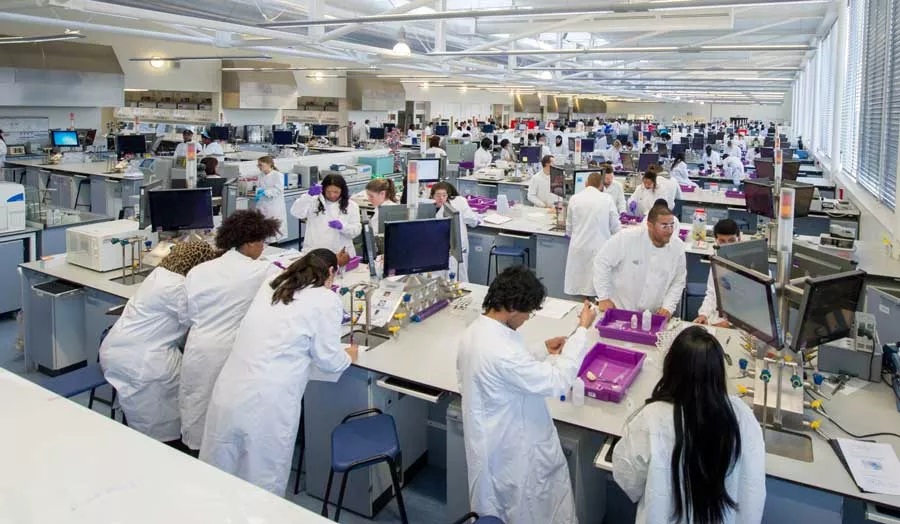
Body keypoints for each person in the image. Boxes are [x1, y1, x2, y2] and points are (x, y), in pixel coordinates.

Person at [200, 249, 357, 495]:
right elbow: (329, 360)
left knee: (220, 473)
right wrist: (348, 355)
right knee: (263, 480)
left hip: (231, 388)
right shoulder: (325, 300)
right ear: (330, 272)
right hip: (269, 401)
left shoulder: (272, 285)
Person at [457, 266, 597, 524]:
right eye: (528, 312)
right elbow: (557, 381)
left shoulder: (476, 332)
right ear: (511, 307)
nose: (527, 318)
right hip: (514, 454)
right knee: (526, 509)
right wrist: (581, 331)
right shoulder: (502, 351)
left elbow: (508, 371)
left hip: (492, 439)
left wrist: (542, 349)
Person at [613, 326, 766, 523]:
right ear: (718, 372)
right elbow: (752, 489)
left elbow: (627, 478)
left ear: (670, 369)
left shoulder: (652, 418)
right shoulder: (742, 416)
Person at [179, 210, 283, 453]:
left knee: (196, 405)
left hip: (198, 347)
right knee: (224, 417)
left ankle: (192, 456)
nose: (263, 249)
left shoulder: (200, 270)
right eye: (261, 242)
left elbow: (187, 313)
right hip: (229, 351)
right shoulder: (262, 271)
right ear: (249, 243)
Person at [99, 241, 219, 446]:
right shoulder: (179, 287)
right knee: (161, 424)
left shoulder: (159, 275)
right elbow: (198, 318)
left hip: (117, 350)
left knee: (137, 413)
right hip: (143, 361)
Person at [594, 204, 686, 319]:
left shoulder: (677, 247)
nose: (669, 231)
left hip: (653, 315)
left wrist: (668, 307)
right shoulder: (627, 238)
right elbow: (601, 262)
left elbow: (678, 280)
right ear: (650, 225)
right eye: (664, 226)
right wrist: (603, 297)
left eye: (671, 225)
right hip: (620, 309)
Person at [564, 172, 620, 298]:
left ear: (586, 184)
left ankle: (584, 306)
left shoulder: (574, 198)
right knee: (599, 285)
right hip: (599, 247)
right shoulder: (607, 199)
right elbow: (615, 226)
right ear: (601, 186)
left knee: (581, 283)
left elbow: (569, 226)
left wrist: (570, 234)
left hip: (579, 246)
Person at [290, 174, 362, 257]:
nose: (332, 195)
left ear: (342, 190)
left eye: (336, 192)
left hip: (339, 252)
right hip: (315, 249)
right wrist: (308, 196)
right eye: (328, 192)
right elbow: (296, 213)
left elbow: (356, 230)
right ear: (323, 189)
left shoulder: (351, 205)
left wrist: (343, 227)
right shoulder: (313, 201)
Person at [694, 219, 741, 327]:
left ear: (739, 239)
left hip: (742, 326)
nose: (727, 245)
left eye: (731, 240)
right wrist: (703, 315)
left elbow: (750, 305)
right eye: (722, 241)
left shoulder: (749, 264)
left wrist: (729, 324)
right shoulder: (717, 261)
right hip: (717, 319)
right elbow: (711, 294)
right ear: (716, 241)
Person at [431, 182, 479, 283]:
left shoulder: (457, 204)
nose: (441, 198)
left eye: (444, 195)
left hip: (456, 249)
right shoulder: (458, 201)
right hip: (441, 251)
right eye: (438, 195)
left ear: (448, 195)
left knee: (457, 277)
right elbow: (472, 220)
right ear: (432, 196)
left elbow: (471, 220)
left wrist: (476, 219)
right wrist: (477, 219)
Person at [254, 156, 288, 242]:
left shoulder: (278, 175)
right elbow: (259, 187)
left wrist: (264, 192)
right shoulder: (260, 175)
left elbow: (278, 190)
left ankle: (274, 246)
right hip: (262, 205)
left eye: (261, 165)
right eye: (258, 165)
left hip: (274, 206)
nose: (259, 167)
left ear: (269, 164)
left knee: (273, 232)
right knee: (262, 231)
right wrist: (258, 192)